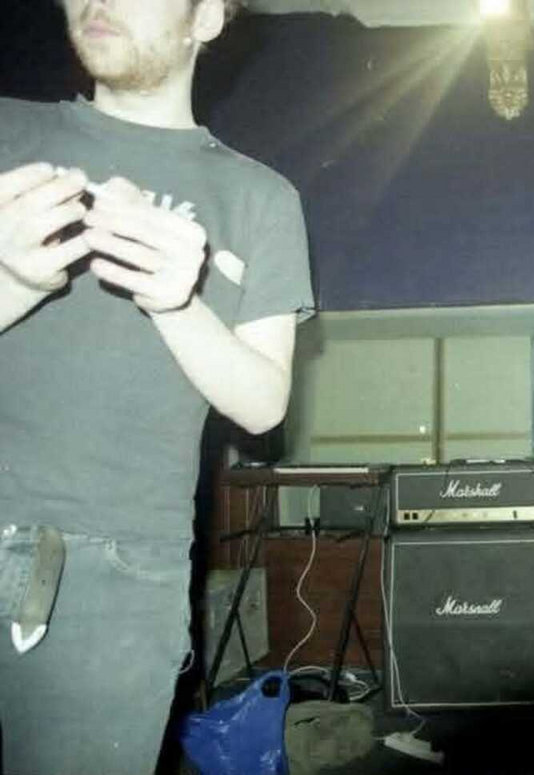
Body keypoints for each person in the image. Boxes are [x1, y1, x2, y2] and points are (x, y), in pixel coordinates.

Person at [0, 0, 314, 771]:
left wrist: (176, 303)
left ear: (206, 19)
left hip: (117, 576)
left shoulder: (260, 197)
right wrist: (11, 281)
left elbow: (263, 404)